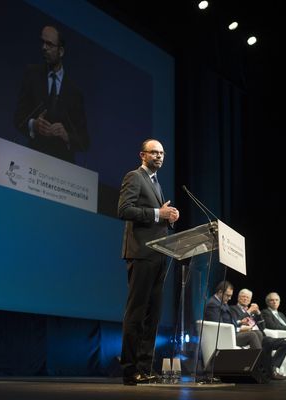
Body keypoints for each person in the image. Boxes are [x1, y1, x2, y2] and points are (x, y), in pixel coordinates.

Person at [118, 139, 179, 385]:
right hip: (141, 254)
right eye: (154, 152)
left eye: (162, 153)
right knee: (137, 313)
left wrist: (169, 216)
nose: (159, 156)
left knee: (152, 316)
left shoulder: (155, 183)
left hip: (158, 255)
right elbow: (124, 210)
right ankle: (130, 369)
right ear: (142, 154)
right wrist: (157, 214)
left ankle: (145, 368)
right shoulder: (134, 177)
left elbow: (157, 216)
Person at [14, 25, 89, 163]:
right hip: (33, 161)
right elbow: (18, 118)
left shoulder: (75, 92)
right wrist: (34, 125)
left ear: (61, 51)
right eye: (42, 42)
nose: (44, 48)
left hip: (62, 167)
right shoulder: (32, 75)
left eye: (49, 44)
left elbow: (84, 141)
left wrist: (66, 135)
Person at [228, 288, 286, 380]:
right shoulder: (233, 309)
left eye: (248, 297)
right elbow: (236, 322)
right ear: (238, 298)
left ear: (250, 299)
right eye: (243, 297)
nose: (246, 299)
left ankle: (272, 368)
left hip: (261, 337)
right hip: (247, 336)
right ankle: (267, 372)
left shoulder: (253, 312)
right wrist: (248, 311)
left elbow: (262, 327)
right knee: (257, 335)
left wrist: (258, 313)